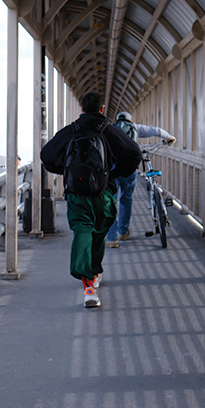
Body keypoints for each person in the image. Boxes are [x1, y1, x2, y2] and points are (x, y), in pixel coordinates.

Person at [40, 92, 141, 308]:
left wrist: (66, 171)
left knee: (82, 231)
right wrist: (114, 175)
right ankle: (91, 279)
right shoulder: (110, 131)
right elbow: (134, 154)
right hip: (103, 193)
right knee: (97, 235)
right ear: (102, 109)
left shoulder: (71, 131)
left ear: (82, 109)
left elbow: (46, 155)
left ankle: (89, 280)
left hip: (77, 195)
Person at [106, 111, 175, 247]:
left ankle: (112, 238)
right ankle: (123, 232)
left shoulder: (111, 129)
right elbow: (156, 131)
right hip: (129, 168)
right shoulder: (136, 128)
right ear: (130, 121)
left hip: (113, 169)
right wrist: (168, 137)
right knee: (126, 200)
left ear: (116, 120)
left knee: (111, 201)